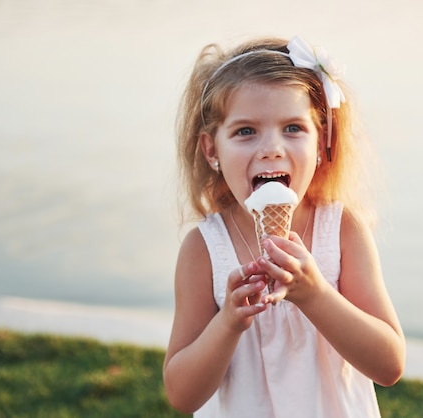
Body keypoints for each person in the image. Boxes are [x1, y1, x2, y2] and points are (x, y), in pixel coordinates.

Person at [163, 35, 405, 418]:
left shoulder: (340, 232)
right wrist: (227, 322)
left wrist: (315, 295)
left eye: (293, 128)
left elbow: (389, 364)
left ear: (323, 139)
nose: (271, 148)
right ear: (212, 151)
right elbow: (181, 393)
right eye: (245, 131)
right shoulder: (204, 249)